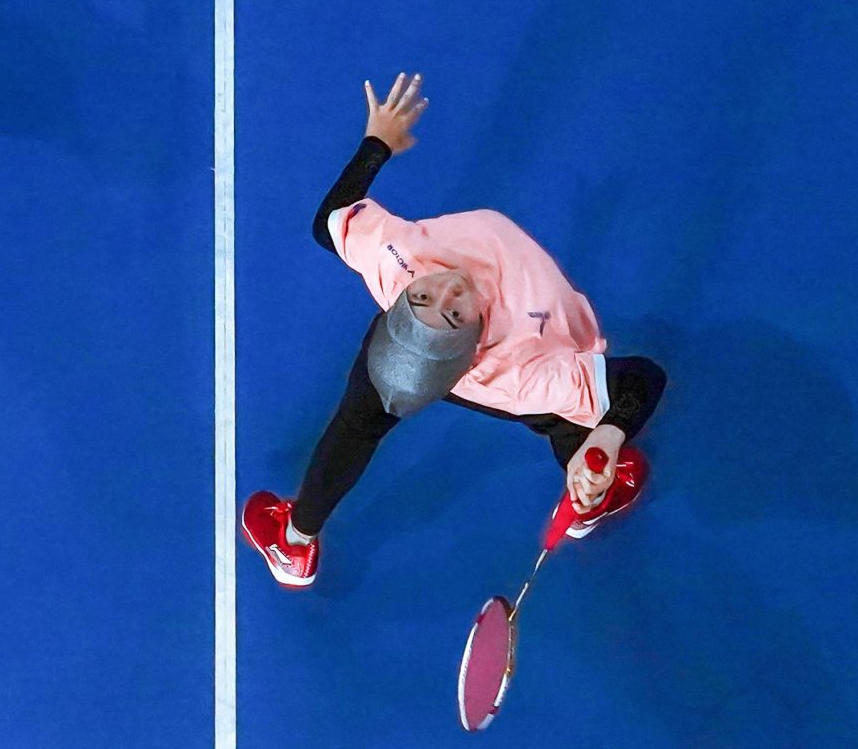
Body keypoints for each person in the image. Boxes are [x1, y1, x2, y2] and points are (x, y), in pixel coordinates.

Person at [242, 74, 667, 587]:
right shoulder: (521, 370)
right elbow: (643, 378)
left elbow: (326, 222)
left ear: (400, 301)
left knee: (375, 407)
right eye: (451, 315)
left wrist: (377, 144)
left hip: (475, 347)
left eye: (422, 299)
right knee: (565, 415)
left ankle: (292, 539)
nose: (445, 290)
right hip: (534, 356)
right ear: (468, 344)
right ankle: (597, 488)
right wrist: (608, 432)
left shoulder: (396, 262)